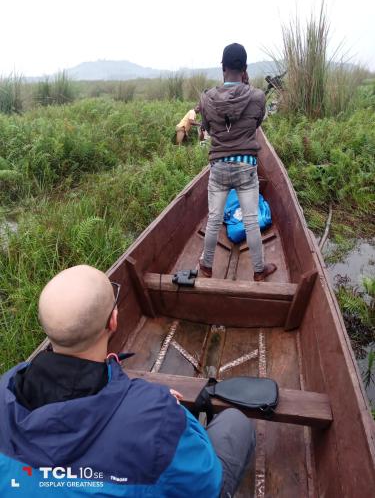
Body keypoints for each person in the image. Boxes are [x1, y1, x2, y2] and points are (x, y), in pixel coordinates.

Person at [0, 265, 255, 497]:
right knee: (236, 423)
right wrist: (171, 413)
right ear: (113, 320)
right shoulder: (158, 418)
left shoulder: (7, 384)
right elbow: (205, 484)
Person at [198, 43, 277, 281]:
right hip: (245, 166)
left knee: (214, 218)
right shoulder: (257, 96)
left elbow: (209, 130)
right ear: (244, 69)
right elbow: (255, 125)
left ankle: (206, 265)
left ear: (223, 68)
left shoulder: (207, 99)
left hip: (219, 167)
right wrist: (248, 85)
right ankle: (259, 270)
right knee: (251, 220)